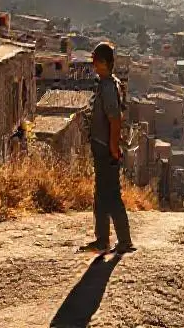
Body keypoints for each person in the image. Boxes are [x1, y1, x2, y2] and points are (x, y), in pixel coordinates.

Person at [80, 42, 134, 254]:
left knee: (111, 194)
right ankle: (102, 240)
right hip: (101, 147)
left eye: (94, 60)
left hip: (106, 149)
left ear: (103, 62)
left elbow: (115, 119)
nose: (92, 64)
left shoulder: (109, 87)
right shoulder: (106, 84)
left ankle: (124, 240)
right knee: (102, 195)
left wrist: (113, 148)